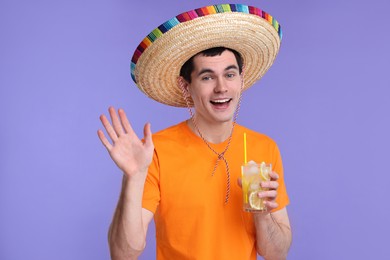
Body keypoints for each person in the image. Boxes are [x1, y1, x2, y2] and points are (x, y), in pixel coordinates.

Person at [98, 4, 292, 260]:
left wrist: (262, 214)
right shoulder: (156, 150)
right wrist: (133, 177)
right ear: (185, 85)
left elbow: (276, 254)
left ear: (241, 80)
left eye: (230, 74)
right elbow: (123, 254)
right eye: (207, 77)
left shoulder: (263, 148)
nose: (222, 87)